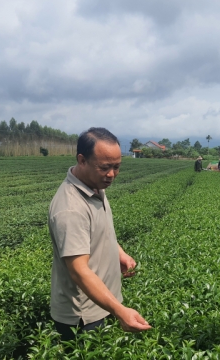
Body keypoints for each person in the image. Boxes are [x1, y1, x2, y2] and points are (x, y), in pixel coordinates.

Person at [48, 127, 152, 341]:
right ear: (82, 160)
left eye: (117, 167)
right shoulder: (71, 209)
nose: (112, 174)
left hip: (104, 304)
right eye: (105, 167)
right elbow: (78, 271)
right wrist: (120, 310)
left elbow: (100, 231)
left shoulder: (94, 186)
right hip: (84, 317)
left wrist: (119, 253)